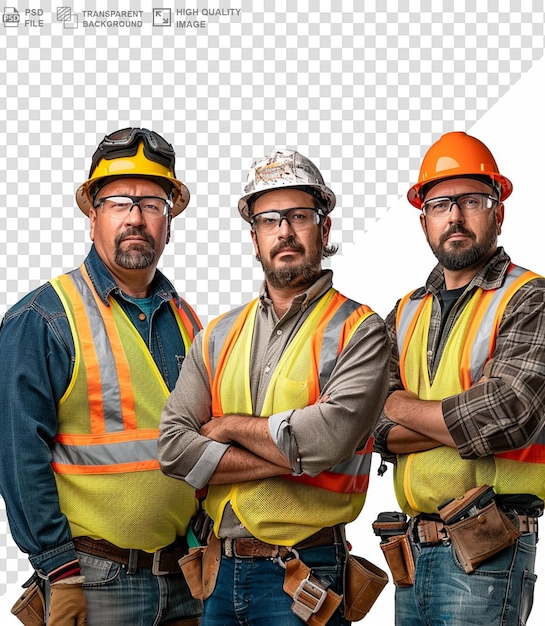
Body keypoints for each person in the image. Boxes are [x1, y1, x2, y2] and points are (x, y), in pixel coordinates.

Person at [159, 149, 391, 626]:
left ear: (323, 231)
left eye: (299, 216)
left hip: (305, 573)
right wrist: (290, 455)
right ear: (254, 237)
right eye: (269, 219)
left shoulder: (360, 329)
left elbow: (326, 440)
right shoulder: (218, 335)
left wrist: (225, 426)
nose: (284, 230)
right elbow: (173, 449)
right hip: (217, 574)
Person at [0, 128, 204, 626]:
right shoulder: (44, 317)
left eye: (152, 203)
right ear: (92, 217)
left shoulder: (189, 322)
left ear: (169, 223)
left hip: (183, 575)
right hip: (95, 579)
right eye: (118, 202)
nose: (135, 217)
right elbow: (13, 449)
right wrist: (57, 569)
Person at [373, 131, 545, 625]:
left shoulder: (533, 301)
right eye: (442, 203)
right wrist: (459, 417)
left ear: (499, 212)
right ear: (423, 218)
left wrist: (400, 406)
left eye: (473, 200)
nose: (455, 216)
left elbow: (505, 419)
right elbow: (367, 426)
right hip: (411, 550)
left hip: (490, 550)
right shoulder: (404, 311)